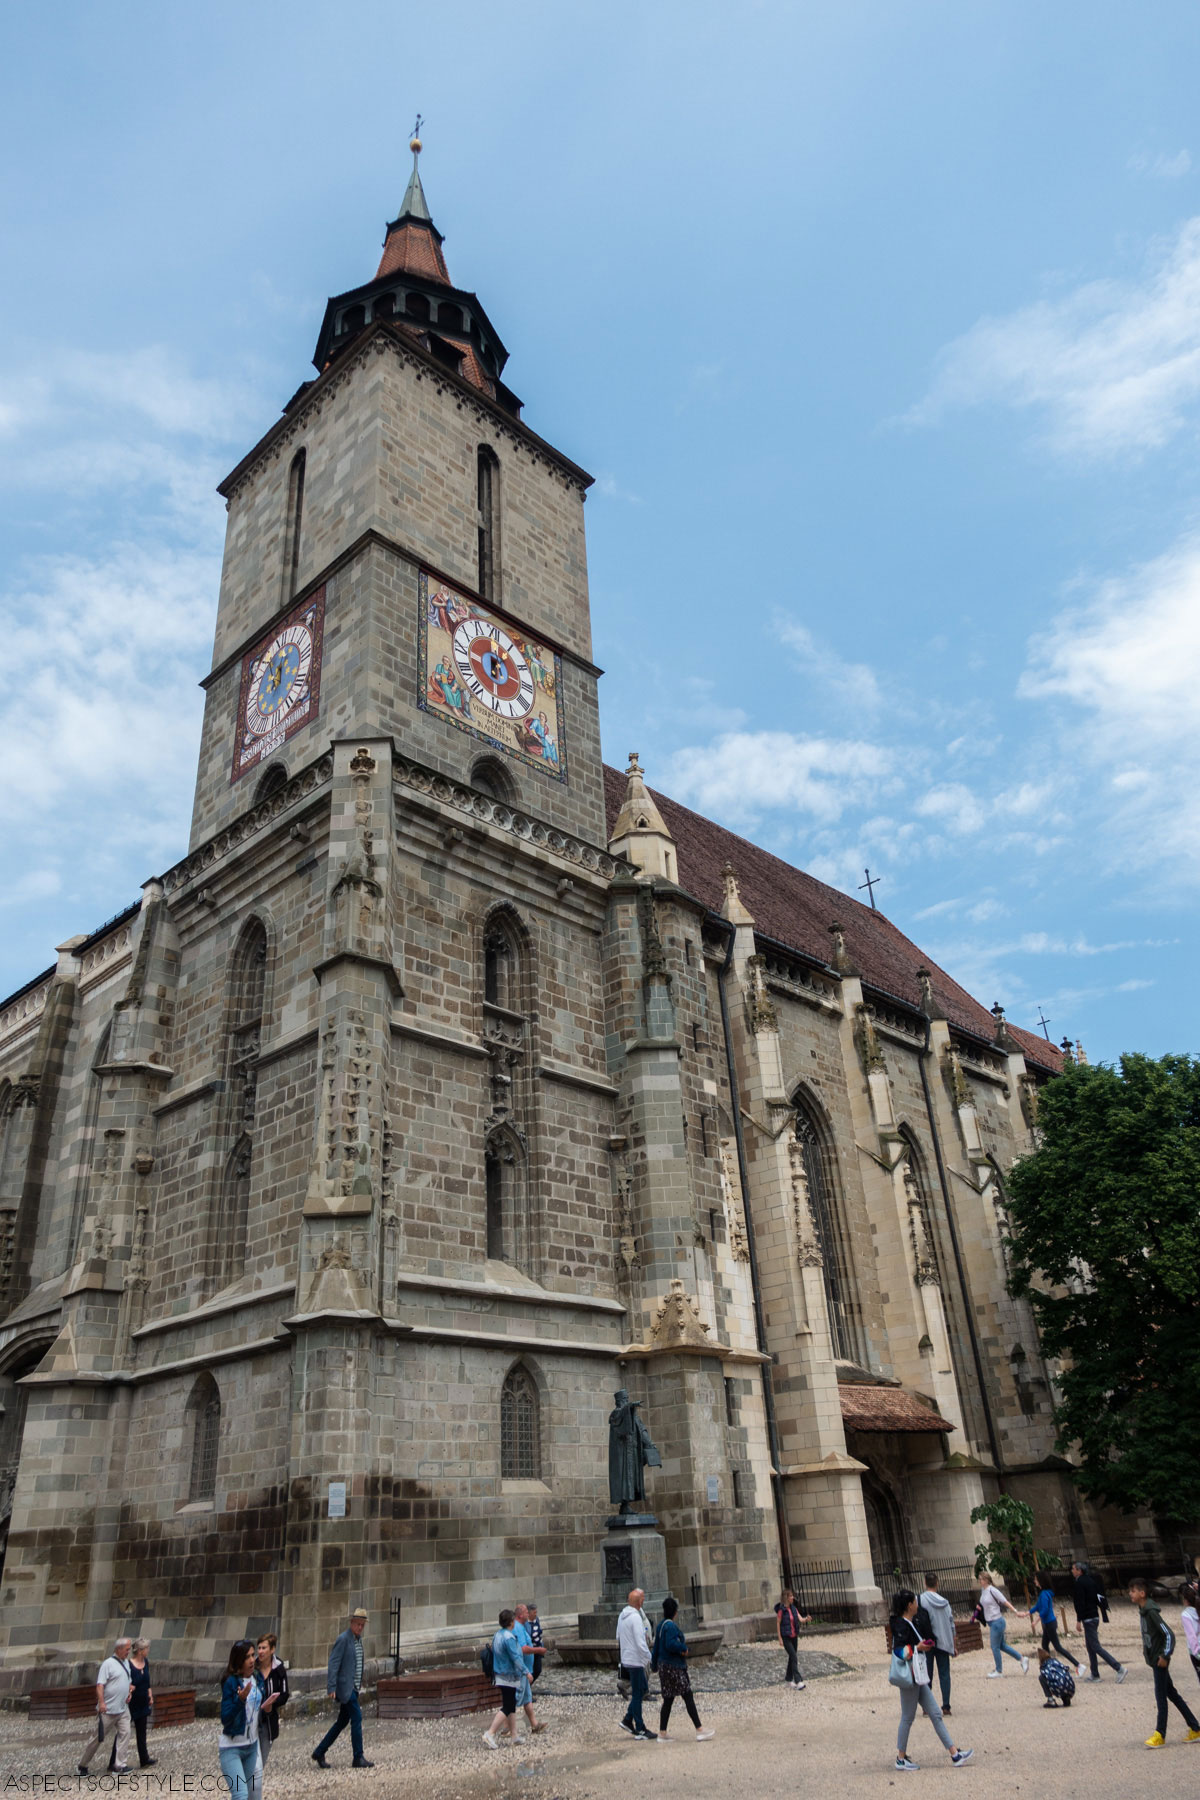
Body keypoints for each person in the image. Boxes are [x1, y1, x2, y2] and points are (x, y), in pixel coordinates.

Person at [890, 1590, 973, 1772]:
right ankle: (900, 1758)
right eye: (914, 1601)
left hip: (917, 1676)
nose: (917, 1604)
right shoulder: (902, 1625)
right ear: (909, 1605)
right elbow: (898, 1651)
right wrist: (916, 1648)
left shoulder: (909, 1623)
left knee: (935, 1713)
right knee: (907, 1717)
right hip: (911, 1676)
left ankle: (954, 1754)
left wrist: (920, 1647)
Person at [1129, 1576, 1200, 1748]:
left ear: (1142, 1593)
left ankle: (1160, 1734)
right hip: (1155, 1659)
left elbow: (1169, 1634)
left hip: (1160, 1661)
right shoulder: (1144, 1610)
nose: (1130, 1594)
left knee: (1161, 1697)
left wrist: (1165, 1655)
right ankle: (1195, 1727)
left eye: (1133, 1591)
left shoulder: (1151, 1612)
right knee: (1172, 1694)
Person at [312, 1607, 373, 1770]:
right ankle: (358, 1757)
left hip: (353, 1688)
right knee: (357, 1718)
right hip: (346, 1689)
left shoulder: (357, 1640)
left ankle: (319, 1751)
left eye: (362, 1625)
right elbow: (333, 1663)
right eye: (357, 1624)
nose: (360, 1627)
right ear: (352, 1623)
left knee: (341, 1722)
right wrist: (331, 1687)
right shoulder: (343, 1639)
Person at [219, 1639, 278, 1800]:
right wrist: (240, 1701)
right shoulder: (231, 1682)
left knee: (253, 1794)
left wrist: (268, 1707)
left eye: (253, 1655)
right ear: (239, 1660)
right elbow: (226, 1718)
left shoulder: (257, 1678)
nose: (252, 1660)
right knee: (240, 1795)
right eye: (247, 1657)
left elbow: (258, 1708)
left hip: (251, 1747)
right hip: (232, 1748)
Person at [652, 1596, 714, 1741]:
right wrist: (683, 1649)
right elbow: (671, 1644)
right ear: (675, 1612)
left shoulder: (660, 1625)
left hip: (663, 1666)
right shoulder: (671, 1626)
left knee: (668, 1698)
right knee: (687, 1695)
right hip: (673, 1667)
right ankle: (699, 1729)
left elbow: (656, 1648)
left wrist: (654, 1665)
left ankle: (662, 1732)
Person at [77, 1636, 133, 1775]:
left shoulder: (126, 1663)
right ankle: (83, 1765)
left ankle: (120, 1765)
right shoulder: (108, 1664)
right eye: (127, 1649)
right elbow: (100, 1685)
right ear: (118, 1649)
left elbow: (128, 1681)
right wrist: (101, 1702)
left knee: (125, 1734)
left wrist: (129, 1692)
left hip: (122, 1708)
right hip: (108, 1710)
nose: (128, 1652)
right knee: (97, 1739)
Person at [1070, 1559, 1126, 1682]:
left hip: (1088, 1617)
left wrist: (1079, 1620)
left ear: (1079, 1570)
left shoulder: (1079, 1583)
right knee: (1091, 1647)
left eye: (1073, 1569)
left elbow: (1080, 1603)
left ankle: (1119, 1668)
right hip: (1094, 1616)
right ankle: (1095, 1674)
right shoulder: (1091, 1580)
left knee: (1095, 1646)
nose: (1072, 1571)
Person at [483, 1609, 531, 1749]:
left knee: (510, 1704)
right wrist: (526, 1672)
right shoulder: (509, 1637)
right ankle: (490, 1733)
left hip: (500, 1674)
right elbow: (515, 1657)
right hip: (508, 1675)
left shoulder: (497, 1634)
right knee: (508, 1706)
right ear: (511, 1622)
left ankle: (514, 1735)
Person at [616, 1586, 656, 1740]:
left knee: (640, 1689)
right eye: (643, 1598)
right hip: (636, 1660)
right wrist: (650, 1658)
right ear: (639, 1603)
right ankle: (639, 1728)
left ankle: (628, 1720)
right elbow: (641, 1643)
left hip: (627, 1658)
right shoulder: (635, 1618)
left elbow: (618, 1636)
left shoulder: (622, 1615)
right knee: (638, 1693)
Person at [916, 1575, 957, 1715]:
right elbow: (951, 1624)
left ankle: (927, 1707)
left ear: (925, 1582)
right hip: (944, 1642)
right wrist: (953, 1644)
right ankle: (946, 1706)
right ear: (937, 1584)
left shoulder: (920, 1600)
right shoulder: (945, 1602)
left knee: (927, 1674)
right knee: (944, 1674)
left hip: (927, 1641)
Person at [976, 1572, 1028, 1677]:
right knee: (1002, 1646)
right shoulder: (983, 1590)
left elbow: (1005, 1601)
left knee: (994, 1647)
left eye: (981, 1579)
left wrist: (1016, 1611)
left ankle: (999, 1671)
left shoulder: (993, 1590)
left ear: (986, 1580)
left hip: (997, 1622)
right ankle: (1022, 1659)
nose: (979, 1581)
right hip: (993, 1622)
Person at [1028, 1578, 1081, 1675]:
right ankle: (1049, 1667)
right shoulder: (1045, 1593)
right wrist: (1027, 1613)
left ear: (1041, 1581)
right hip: (1049, 1623)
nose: (1035, 1581)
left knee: (1057, 1647)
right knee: (1044, 1645)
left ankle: (1077, 1664)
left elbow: (1044, 1610)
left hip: (1049, 1624)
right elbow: (1038, 1607)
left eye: (1036, 1579)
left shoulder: (1044, 1594)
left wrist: (1035, 1621)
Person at [511, 1604, 547, 1737]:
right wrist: (538, 1650)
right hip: (521, 1670)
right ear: (520, 1615)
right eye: (527, 1612)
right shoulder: (518, 1628)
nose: (529, 1613)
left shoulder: (522, 1626)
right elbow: (523, 1648)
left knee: (527, 1699)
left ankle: (534, 1724)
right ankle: (503, 1728)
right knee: (513, 1701)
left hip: (526, 1670)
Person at [256, 1634, 289, 1770]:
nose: (261, 1651)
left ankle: (252, 1789)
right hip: (252, 1720)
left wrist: (272, 1704)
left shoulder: (279, 1669)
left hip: (268, 1721)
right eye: (259, 1648)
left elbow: (285, 1694)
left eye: (264, 1648)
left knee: (260, 1763)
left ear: (272, 1649)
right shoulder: (253, 1668)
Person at [775, 1588, 812, 1690]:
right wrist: (780, 1638)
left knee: (792, 1657)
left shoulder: (794, 1608)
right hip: (786, 1637)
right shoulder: (781, 1611)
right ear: (786, 1598)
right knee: (794, 1657)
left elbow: (800, 1619)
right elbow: (778, 1623)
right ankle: (798, 1680)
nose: (792, 1598)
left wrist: (806, 1619)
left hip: (794, 1636)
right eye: (791, 1596)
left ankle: (788, 1679)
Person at [1181, 1582, 1200, 1687]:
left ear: (1185, 1600)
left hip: (1196, 1652)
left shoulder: (1186, 1614)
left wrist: (1196, 1653)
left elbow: (1191, 1636)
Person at [526, 1603, 545, 1684]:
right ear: (529, 1613)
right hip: (530, 1649)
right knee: (530, 1669)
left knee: (538, 1669)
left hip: (538, 1648)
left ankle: (529, 1686)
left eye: (536, 1612)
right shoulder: (525, 1623)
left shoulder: (537, 1619)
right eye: (534, 1612)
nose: (536, 1614)